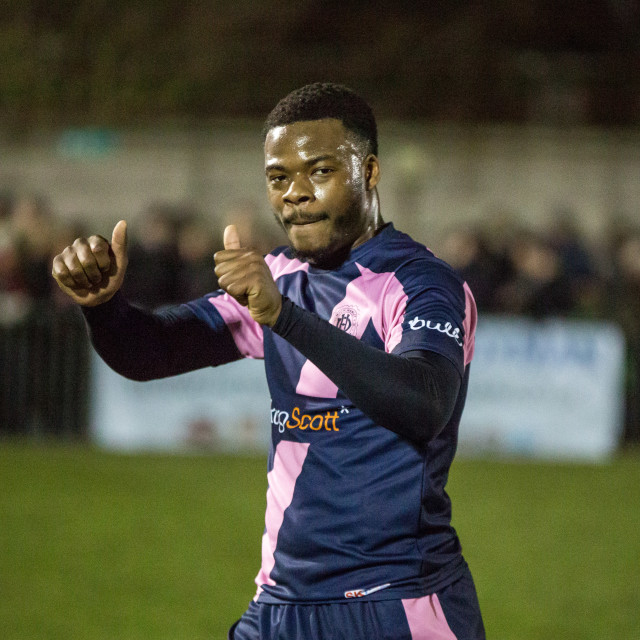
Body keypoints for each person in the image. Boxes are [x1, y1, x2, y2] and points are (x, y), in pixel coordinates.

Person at [52, 82, 484, 640]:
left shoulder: (420, 283)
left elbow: (424, 402)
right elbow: (150, 351)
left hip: (396, 604)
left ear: (370, 171)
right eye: (278, 178)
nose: (294, 194)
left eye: (320, 171)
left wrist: (284, 318)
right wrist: (104, 308)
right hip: (280, 607)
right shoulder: (279, 278)